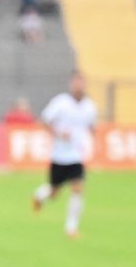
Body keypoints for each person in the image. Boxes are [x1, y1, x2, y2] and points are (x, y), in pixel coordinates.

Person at [32, 72, 98, 236]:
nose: (78, 85)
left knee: (78, 188)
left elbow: (91, 127)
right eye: (76, 82)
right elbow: (44, 120)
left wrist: (91, 138)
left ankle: (71, 228)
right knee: (54, 192)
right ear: (71, 84)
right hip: (59, 155)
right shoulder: (61, 102)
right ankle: (39, 195)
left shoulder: (90, 106)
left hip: (76, 156)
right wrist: (59, 134)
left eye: (81, 82)